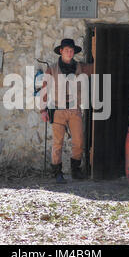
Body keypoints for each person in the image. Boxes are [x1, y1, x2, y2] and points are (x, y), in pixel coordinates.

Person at [40, 38, 93, 184]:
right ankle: (57, 173)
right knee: (57, 143)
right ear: (61, 51)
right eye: (67, 50)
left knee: (78, 141)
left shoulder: (80, 67)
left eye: (72, 50)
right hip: (58, 110)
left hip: (75, 109)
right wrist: (42, 110)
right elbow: (44, 90)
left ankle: (76, 171)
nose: (70, 53)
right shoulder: (52, 69)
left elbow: (96, 67)